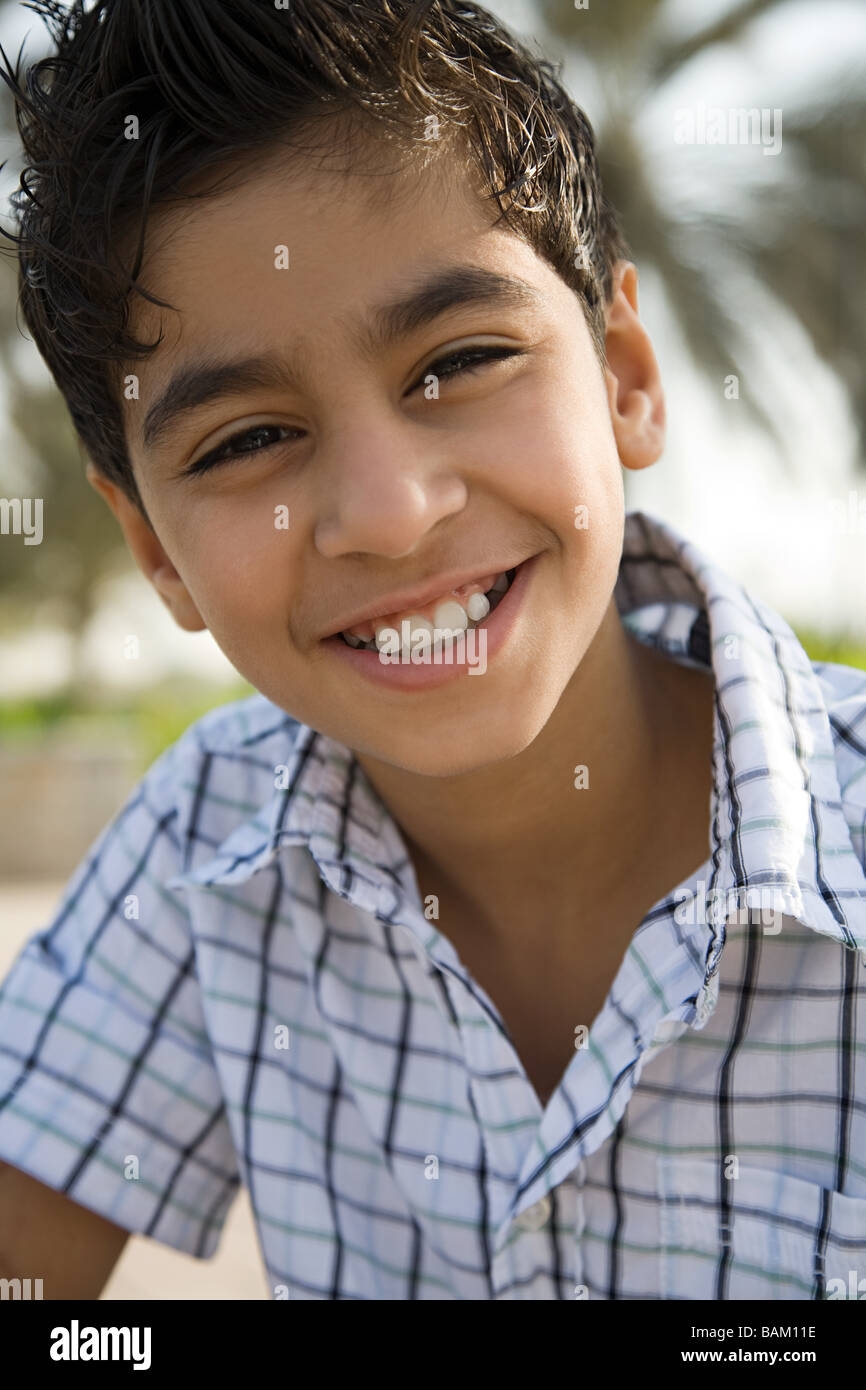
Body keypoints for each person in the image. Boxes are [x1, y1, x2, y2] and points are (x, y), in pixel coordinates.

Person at [0, 0, 864, 1301]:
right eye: (244, 440)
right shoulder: (210, 847)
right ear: (156, 552)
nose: (390, 513)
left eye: (458, 360)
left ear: (625, 374)